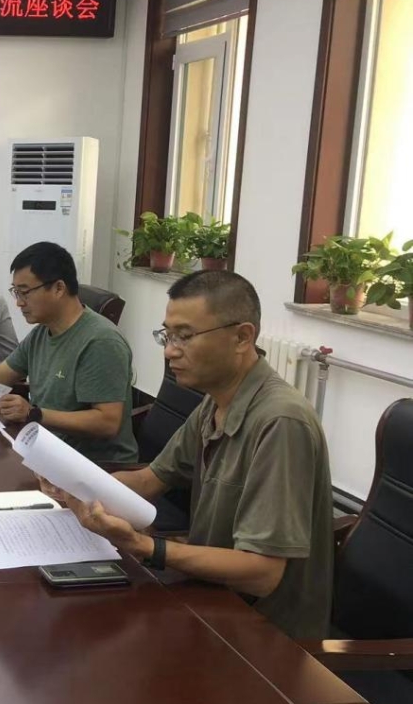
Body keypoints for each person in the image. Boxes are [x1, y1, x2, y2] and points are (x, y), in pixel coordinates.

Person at [44, 271, 333, 639]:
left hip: (261, 636)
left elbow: (262, 574)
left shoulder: (281, 422)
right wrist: (77, 485)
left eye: (185, 336)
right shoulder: (216, 401)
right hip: (209, 597)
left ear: (242, 337)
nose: (169, 351)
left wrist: (144, 546)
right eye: (167, 335)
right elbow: (149, 480)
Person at [0, 242, 137, 463]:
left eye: (25, 292)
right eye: (16, 292)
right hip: (45, 448)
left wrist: (34, 413)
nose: (19, 303)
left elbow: (107, 422)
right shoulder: (42, 331)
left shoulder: (101, 341)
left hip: (94, 467)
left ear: (59, 288)